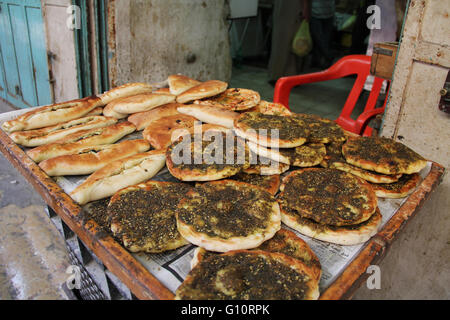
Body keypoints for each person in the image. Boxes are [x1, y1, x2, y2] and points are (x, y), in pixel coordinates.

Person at [267, 0, 305, 84]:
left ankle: (277, 75)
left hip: (283, 10)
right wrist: (306, 10)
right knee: (291, 44)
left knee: (280, 43)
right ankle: (287, 76)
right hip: (293, 11)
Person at [304, 0, 336, 69]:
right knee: (319, 38)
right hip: (315, 13)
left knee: (323, 39)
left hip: (329, 13)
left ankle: (316, 61)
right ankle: (328, 55)